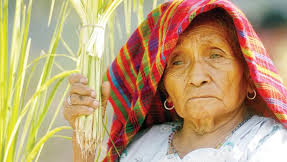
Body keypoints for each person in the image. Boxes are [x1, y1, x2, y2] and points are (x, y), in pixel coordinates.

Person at [63, 0, 287, 161]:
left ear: (249, 77)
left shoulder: (270, 144)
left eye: (216, 55)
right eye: (177, 62)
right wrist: (84, 143)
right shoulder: (143, 146)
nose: (197, 78)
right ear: (164, 88)